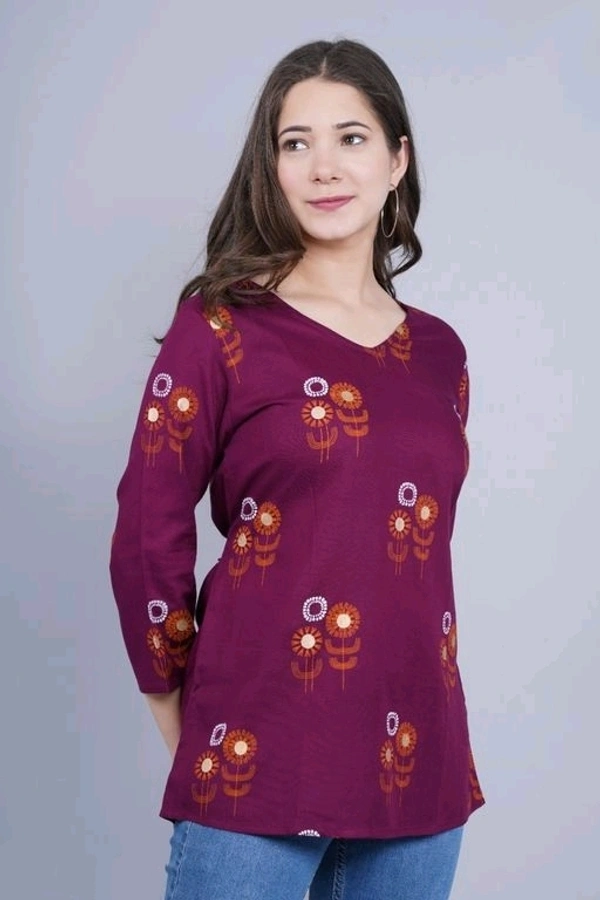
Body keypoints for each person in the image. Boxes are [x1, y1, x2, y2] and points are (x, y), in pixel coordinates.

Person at [109, 38, 485, 900]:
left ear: (397, 160)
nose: (324, 166)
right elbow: (145, 535)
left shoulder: (440, 354)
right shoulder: (221, 327)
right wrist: (180, 714)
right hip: (259, 755)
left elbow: (405, 551)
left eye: (351, 137)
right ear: (271, 168)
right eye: (295, 142)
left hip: (418, 763)